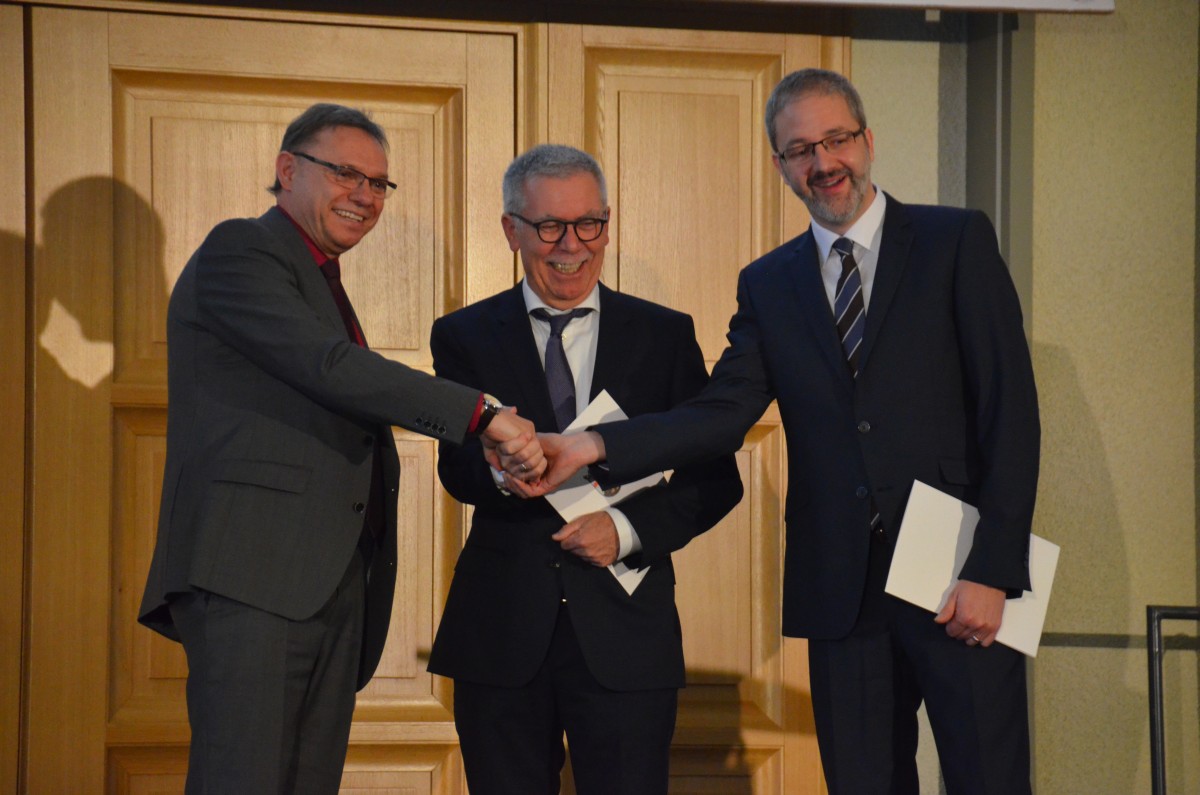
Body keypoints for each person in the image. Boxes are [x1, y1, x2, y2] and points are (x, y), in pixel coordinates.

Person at [525, 70, 1041, 794]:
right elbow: (721, 411)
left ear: (867, 140)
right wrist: (596, 445)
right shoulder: (769, 282)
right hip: (841, 594)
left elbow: (1009, 413)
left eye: (836, 140)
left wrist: (993, 567)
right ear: (779, 165)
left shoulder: (955, 240)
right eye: (801, 149)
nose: (822, 162)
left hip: (960, 576)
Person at [137, 103, 543, 794]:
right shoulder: (242, 249)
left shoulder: (316, 275)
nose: (365, 194)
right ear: (288, 169)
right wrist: (482, 415)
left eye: (379, 183)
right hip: (256, 577)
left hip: (326, 582)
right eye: (346, 173)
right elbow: (328, 366)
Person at [426, 144, 743, 795]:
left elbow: (716, 480)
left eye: (588, 224)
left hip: (627, 636)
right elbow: (456, 470)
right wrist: (499, 472)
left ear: (607, 223)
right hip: (500, 633)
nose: (571, 245)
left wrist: (625, 532)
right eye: (549, 226)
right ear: (511, 229)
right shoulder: (464, 334)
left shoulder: (663, 335)